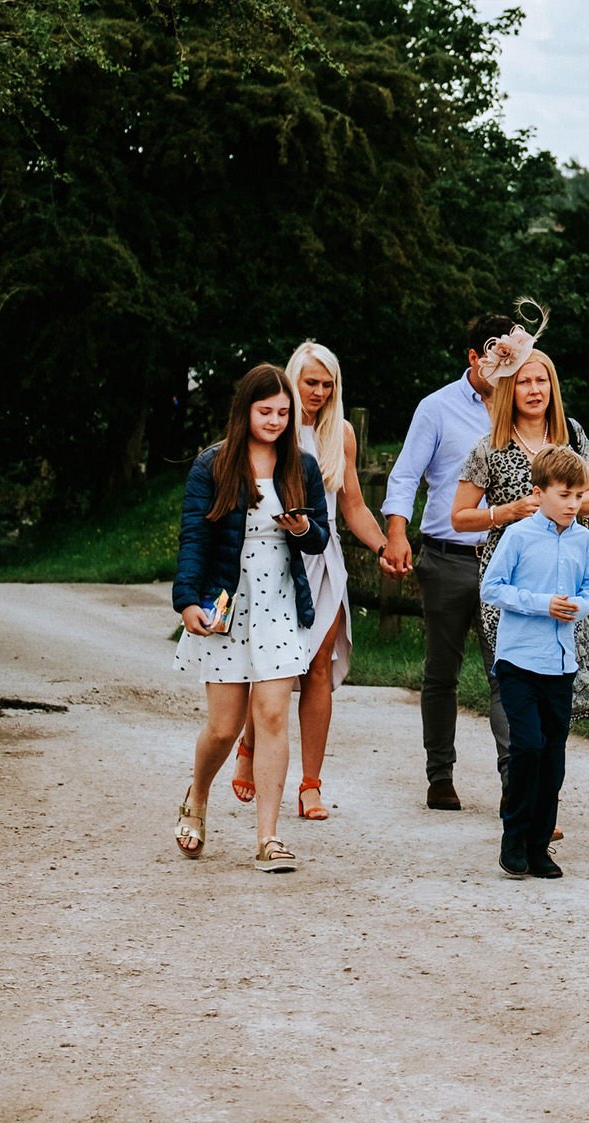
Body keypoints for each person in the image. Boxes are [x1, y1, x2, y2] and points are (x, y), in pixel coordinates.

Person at [172, 364, 331, 872]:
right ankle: (197, 797)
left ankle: (268, 836)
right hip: (227, 603)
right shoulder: (213, 465)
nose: (276, 421)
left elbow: (321, 536)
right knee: (222, 728)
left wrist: (304, 527)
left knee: (272, 716)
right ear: (245, 410)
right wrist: (187, 601)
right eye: (266, 412)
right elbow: (194, 537)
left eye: (284, 413)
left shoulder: (300, 465)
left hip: (281, 603)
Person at [226, 342, 389, 822]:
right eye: (310, 382)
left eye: (327, 384)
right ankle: (249, 747)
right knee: (270, 662)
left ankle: (311, 785)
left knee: (318, 666)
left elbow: (353, 504)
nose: (317, 392)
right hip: (273, 558)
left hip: (322, 554)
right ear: (292, 379)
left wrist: (384, 547)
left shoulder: (340, 433)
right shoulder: (273, 429)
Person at [381, 312, 519, 811]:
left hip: (506, 561)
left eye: (512, 355)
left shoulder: (523, 410)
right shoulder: (436, 408)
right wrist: (397, 533)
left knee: (506, 671)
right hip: (446, 558)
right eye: (495, 354)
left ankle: (513, 782)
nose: (503, 364)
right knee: (442, 671)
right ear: (473, 356)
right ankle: (440, 774)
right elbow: (404, 476)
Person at [449, 341, 589, 723]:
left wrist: (560, 503)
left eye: (542, 381)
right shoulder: (490, 447)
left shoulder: (570, 435)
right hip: (512, 572)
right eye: (524, 382)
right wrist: (507, 512)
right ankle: (514, 772)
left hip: (563, 572)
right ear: (509, 390)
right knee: (513, 681)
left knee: (558, 680)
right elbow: (459, 517)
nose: (534, 390)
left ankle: (544, 771)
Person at [477, 446, 589, 879]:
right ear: (539, 492)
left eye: (579, 496)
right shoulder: (518, 536)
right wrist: (540, 604)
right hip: (518, 660)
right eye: (565, 495)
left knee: (553, 757)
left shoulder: (583, 539)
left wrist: (579, 607)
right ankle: (514, 836)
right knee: (528, 746)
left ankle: (539, 845)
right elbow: (492, 588)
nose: (573, 504)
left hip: (562, 665)